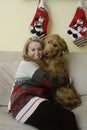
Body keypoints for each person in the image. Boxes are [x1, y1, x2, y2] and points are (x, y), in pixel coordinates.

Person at [8, 36, 79, 130]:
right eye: (33, 50)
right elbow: (48, 81)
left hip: (20, 108)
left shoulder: (39, 64)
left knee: (58, 126)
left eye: (39, 49)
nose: (37, 53)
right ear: (27, 51)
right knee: (69, 117)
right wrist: (66, 80)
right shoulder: (27, 63)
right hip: (25, 102)